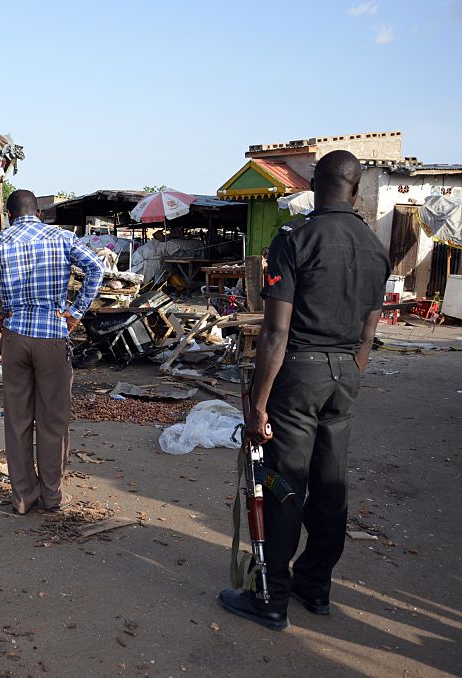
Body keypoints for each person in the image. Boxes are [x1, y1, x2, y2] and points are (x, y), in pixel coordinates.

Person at [218, 150, 391, 630]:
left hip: (299, 374)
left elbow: (275, 331)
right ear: (356, 189)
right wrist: (349, 376)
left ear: (316, 186)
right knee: (330, 487)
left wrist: (258, 402)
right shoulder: (376, 249)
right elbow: (367, 334)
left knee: (284, 487)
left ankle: (271, 599)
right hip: (344, 378)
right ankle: (316, 588)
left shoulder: (296, 239)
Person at [0, 189, 104, 514]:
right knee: (53, 421)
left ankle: (23, 498)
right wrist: (76, 313)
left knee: (18, 421)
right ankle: (53, 496)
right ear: (38, 212)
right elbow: (96, 268)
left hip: (14, 338)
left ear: (9, 215)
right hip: (52, 335)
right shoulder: (61, 237)